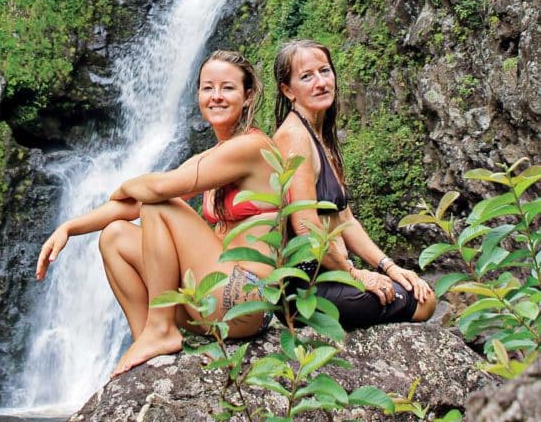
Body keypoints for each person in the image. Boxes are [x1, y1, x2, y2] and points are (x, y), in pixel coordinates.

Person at [36, 50, 278, 376]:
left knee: (159, 204)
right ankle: (148, 341)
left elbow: (158, 192)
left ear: (248, 97)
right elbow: (136, 202)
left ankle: (161, 328)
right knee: (115, 237)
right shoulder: (212, 157)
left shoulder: (251, 146)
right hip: (210, 300)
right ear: (198, 95)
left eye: (228, 88)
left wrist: (127, 185)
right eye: (208, 88)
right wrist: (69, 227)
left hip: (248, 299)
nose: (216, 96)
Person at [272, 39, 436, 329]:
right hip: (304, 290)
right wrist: (355, 273)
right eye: (306, 76)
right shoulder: (295, 136)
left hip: (330, 275)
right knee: (422, 303)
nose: (320, 82)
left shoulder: (320, 136)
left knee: (418, 294)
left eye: (325, 71)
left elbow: (345, 219)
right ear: (288, 90)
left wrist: (388, 266)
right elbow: (305, 226)